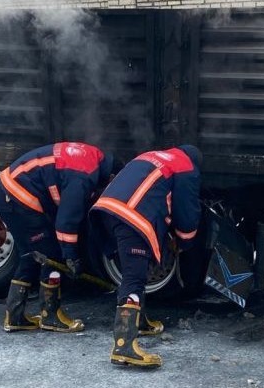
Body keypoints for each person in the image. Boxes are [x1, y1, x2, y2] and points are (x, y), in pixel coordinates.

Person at [90, 145, 202, 368]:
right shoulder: (186, 166)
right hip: (132, 217)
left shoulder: (152, 156)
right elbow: (187, 213)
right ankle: (124, 346)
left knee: (137, 271)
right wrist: (185, 242)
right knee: (134, 277)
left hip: (106, 211)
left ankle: (139, 322)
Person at [0, 142, 120, 333]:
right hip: (18, 198)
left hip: (9, 195)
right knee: (52, 256)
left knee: (32, 256)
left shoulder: (91, 158)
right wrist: (71, 257)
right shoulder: (84, 176)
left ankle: (15, 316)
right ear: (111, 177)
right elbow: (66, 222)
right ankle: (50, 316)